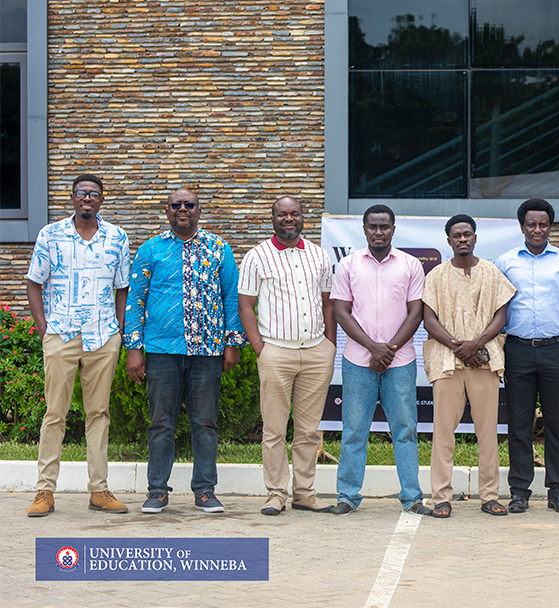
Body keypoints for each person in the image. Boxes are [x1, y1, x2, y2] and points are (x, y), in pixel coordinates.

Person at [124, 188, 244, 514]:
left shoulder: (219, 248)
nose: (182, 209)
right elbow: (136, 299)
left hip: (207, 350)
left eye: (189, 204)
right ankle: (157, 491)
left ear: (198, 210)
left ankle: (205, 491)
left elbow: (231, 297)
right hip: (161, 349)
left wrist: (232, 343)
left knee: (205, 423)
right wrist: (133, 348)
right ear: (167, 211)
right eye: (176, 204)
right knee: (161, 423)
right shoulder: (151, 249)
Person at [25, 174, 130, 517]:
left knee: (98, 413)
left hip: (102, 336)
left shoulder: (117, 237)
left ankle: (99, 490)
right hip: (62, 333)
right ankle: (45, 490)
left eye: (94, 194)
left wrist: (118, 330)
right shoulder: (50, 235)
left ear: (101, 200)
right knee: (55, 413)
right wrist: (44, 329)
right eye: (82, 192)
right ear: (72, 197)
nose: (87, 198)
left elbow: (122, 287)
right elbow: (34, 282)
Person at [324, 205, 432, 516]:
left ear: (393, 229)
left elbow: (416, 312)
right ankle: (347, 496)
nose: (378, 232)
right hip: (359, 361)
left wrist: (389, 349)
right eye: (373, 227)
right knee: (354, 430)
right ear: (364, 229)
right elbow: (341, 311)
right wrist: (373, 347)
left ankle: (412, 497)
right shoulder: (348, 265)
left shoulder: (410, 265)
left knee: (405, 429)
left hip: (400, 362)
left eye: (384, 227)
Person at [238, 197, 337, 516]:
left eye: (295, 213)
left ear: (303, 217)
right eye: (282, 214)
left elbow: (328, 303)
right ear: (273, 218)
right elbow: (246, 306)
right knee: (275, 430)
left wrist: (330, 346)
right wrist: (260, 348)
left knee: (308, 431)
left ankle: (304, 493)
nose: (289, 219)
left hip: (316, 351)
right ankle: (276, 493)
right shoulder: (257, 256)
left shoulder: (320, 255)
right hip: (276, 351)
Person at [495, 199, 559, 514]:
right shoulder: (505, 262)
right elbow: (496, 310)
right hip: (518, 350)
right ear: (522, 226)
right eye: (531, 225)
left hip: (556, 351)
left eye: (543, 224)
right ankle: (519, 491)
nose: (538, 230)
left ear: (551, 226)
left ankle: (558, 491)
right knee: (519, 425)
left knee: (556, 425)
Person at [423, 214, 516, 518]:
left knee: (487, 433)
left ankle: (489, 496)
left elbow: (501, 316)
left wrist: (475, 344)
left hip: (484, 361)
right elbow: (429, 320)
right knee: (443, 432)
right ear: (448, 240)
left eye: (467, 234)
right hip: (447, 361)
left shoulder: (491, 272)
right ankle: (441, 497)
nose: (462, 239)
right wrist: (459, 347)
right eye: (456, 235)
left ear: (475, 238)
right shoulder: (436, 275)